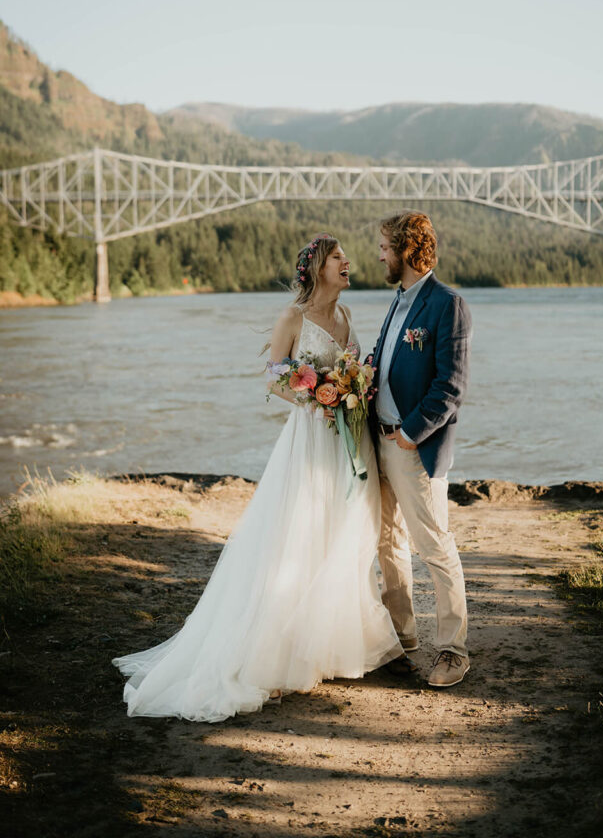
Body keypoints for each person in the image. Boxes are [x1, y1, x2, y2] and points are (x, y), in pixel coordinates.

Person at [112, 234, 402, 721]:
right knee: (296, 533)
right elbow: (273, 377)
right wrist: (317, 399)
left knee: (340, 531)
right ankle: (275, 651)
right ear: (317, 268)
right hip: (311, 435)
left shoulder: (347, 317)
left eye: (347, 257)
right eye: (338, 257)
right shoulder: (292, 317)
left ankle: (323, 645)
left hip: (345, 437)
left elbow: (354, 368)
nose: (348, 262)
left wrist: (351, 389)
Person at [369, 211, 472, 688]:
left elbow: (450, 387)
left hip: (414, 446)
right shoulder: (396, 302)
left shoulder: (447, 304)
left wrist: (410, 434)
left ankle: (453, 650)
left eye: (387, 246)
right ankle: (402, 640)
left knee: (434, 546)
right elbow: (385, 364)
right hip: (379, 440)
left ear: (409, 249)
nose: (381, 254)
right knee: (388, 545)